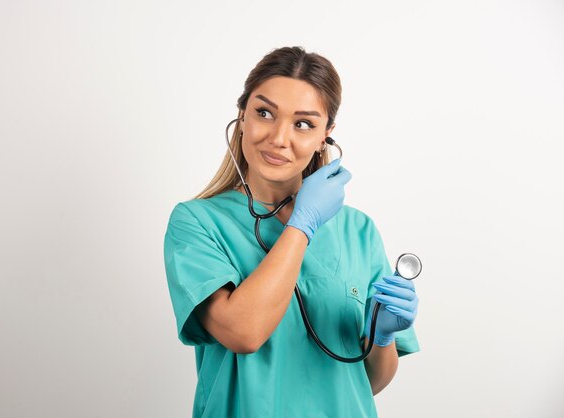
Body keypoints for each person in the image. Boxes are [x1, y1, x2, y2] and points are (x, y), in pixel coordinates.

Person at [163, 46, 420, 418]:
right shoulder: (197, 223)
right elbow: (243, 333)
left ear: (325, 136)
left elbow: (368, 381)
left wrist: (382, 338)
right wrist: (303, 224)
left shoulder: (358, 231)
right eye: (264, 113)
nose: (279, 138)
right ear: (243, 116)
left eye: (303, 124)